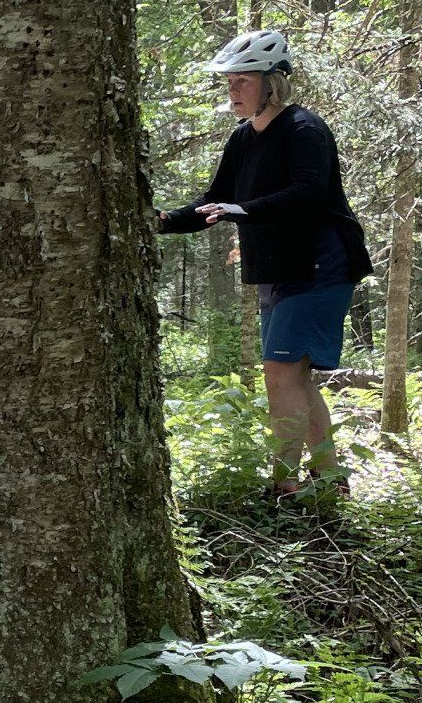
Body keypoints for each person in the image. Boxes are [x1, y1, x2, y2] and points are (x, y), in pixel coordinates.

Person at [158, 29, 372, 498]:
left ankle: (285, 486)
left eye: (243, 81)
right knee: (293, 374)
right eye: (229, 82)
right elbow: (216, 200)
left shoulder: (303, 129)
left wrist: (246, 209)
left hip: (321, 263)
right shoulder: (243, 138)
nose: (233, 90)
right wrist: (162, 221)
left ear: (271, 82)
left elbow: (309, 192)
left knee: (279, 371)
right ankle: (331, 482)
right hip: (276, 268)